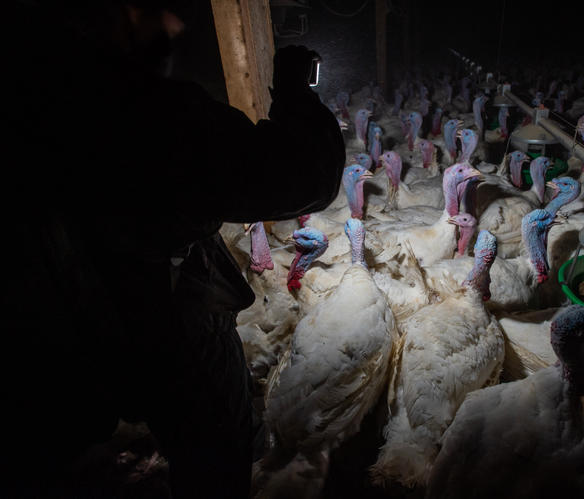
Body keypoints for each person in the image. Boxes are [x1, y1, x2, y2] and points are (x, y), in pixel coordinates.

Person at [3, 1, 345, 497]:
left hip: (63, 339)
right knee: (215, 452)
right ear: (115, 21)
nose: (175, 25)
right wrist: (293, 91)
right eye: (155, 12)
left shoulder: (31, 97)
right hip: (160, 316)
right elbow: (300, 178)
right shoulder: (140, 110)